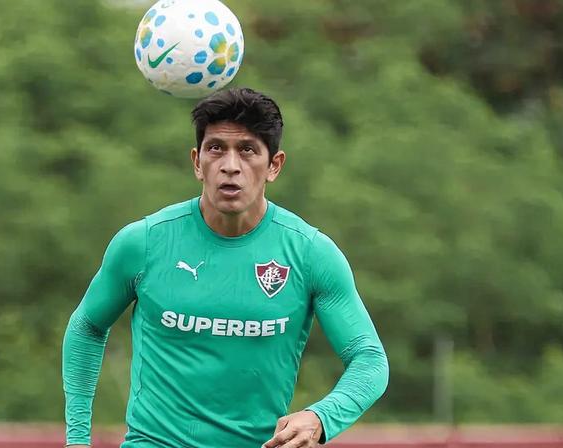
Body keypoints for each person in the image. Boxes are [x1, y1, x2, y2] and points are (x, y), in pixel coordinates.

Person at [62, 87, 389, 448]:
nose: (230, 165)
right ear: (197, 162)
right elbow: (88, 326)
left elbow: (369, 359)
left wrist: (321, 417)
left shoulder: (311, 254)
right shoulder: (143, 242)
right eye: (216, 148)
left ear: (274, 166)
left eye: (247, 150)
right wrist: (77, 440)